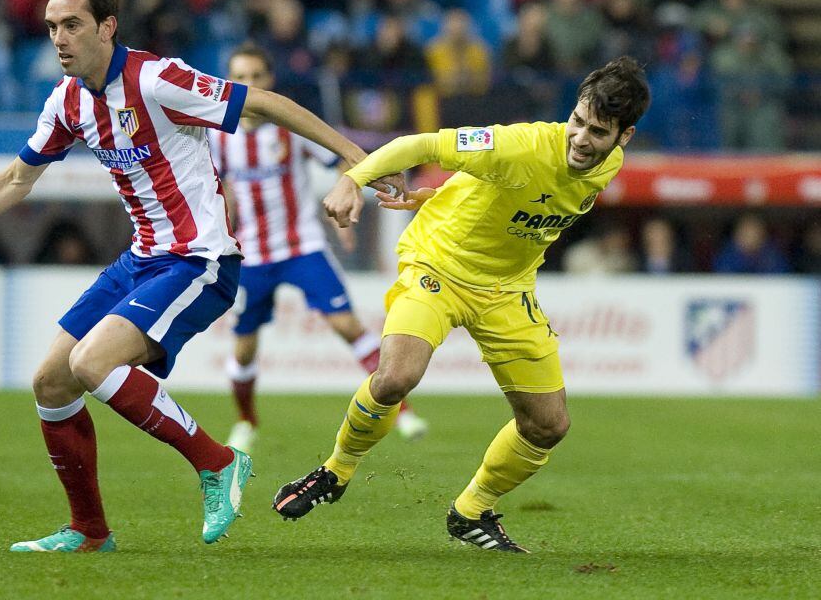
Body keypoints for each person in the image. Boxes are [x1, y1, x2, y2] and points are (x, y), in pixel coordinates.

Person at [0, 0, 397, 554]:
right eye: (52, 26)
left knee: (90, 362)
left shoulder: (158, 80)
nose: (59, 38)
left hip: (200, 261)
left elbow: (266, 103)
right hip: (141, 259)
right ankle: (89, 531)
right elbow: (16, 178)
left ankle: (219, 463)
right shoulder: (68, 101)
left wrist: (359, 163)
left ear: (107, 27)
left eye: (73, 25)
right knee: (51, 382)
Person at [272, 57, 650, 553]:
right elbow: (421, 144)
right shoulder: (519, 143)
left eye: (597, 132)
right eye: (576, 121)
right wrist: (351, 180)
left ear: (624, 137)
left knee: (548, 425)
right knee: (395, 378)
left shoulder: (610, 166)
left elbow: (517, 198)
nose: (580, 139)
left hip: (508, 288)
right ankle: (335, 471)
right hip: (438, 266)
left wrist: (445, 194)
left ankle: (472, 511)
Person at [210, 43, 428, 454]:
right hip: (251, 255)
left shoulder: (291, 130)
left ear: (269, 80)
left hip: (303, 245)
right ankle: (245, 421)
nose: (249, 84)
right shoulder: (220, 139)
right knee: (244, 344)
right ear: (229, 81)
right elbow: (218, 190)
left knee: (348, 326)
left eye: (257, 76)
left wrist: (349, 198)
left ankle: (402, 411)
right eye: (241, 76)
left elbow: (343, 163)